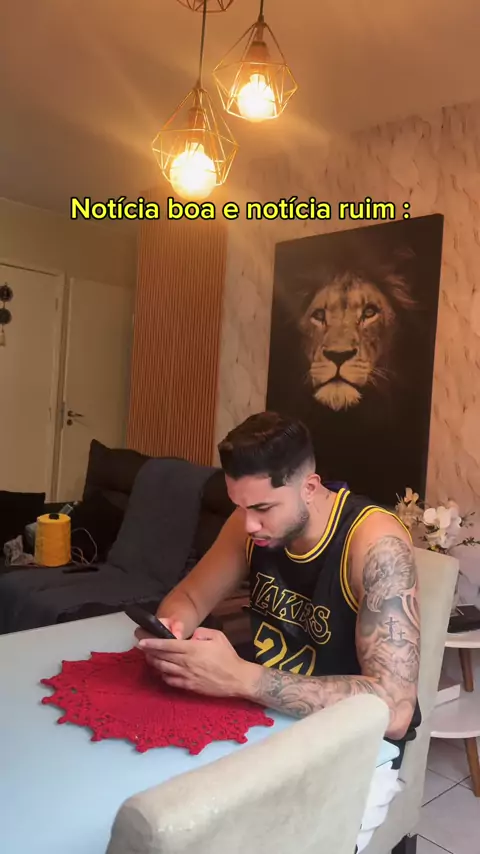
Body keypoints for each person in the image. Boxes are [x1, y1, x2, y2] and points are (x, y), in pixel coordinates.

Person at [135, 411, 421, 763]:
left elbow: (395, 710)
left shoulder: (376, 544)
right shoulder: (248, 521)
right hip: (271, 721)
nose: (249, 524)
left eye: (263, 508)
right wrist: (173, 635)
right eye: (239, 506)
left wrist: (241, 678)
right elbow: (191, 598)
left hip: (355, 748)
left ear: (309, 488)